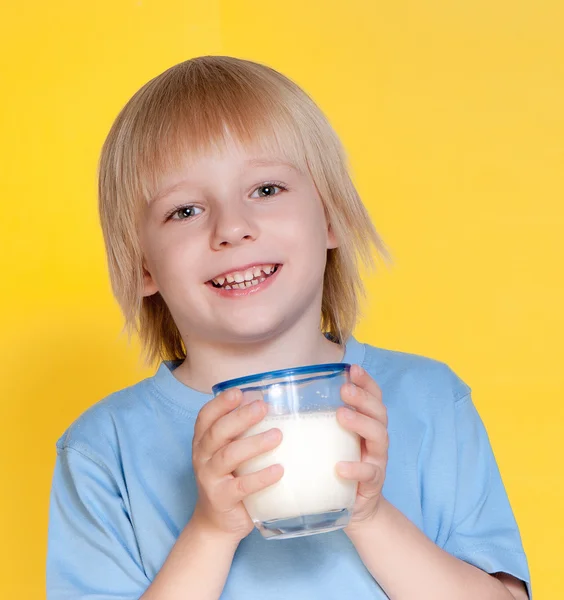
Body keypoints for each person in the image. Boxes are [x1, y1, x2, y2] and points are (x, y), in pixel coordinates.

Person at [47, 56, 531, 599]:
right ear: (142, 266)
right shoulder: (101, 452)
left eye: (266, 190)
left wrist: (369, 515)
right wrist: (211, 532)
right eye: (184, 211)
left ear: (331, 217)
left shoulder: (431, 400)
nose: (232, 228)